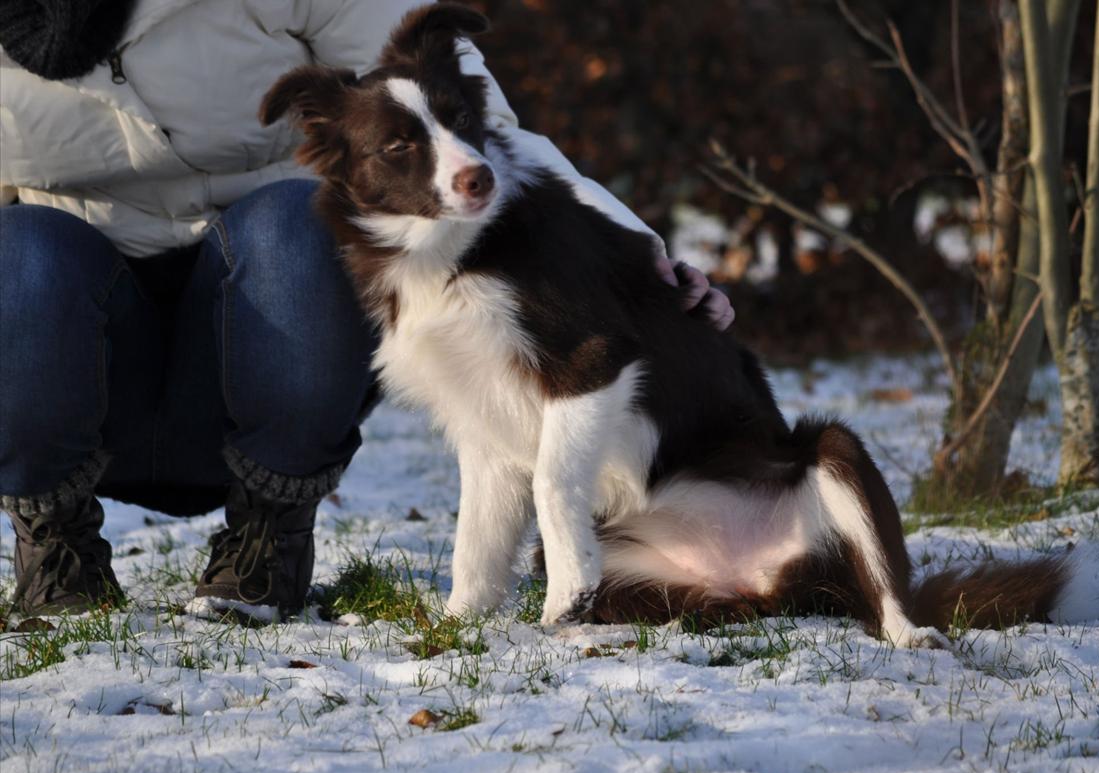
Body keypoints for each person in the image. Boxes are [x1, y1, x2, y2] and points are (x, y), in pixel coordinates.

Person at [0, 0, 734, 622]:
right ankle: (55, 543)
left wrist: (638, 255)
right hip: (76, 358)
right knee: (21, 249)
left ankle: (268, 538)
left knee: (297, 222)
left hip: (270, 322)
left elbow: (480, 137)